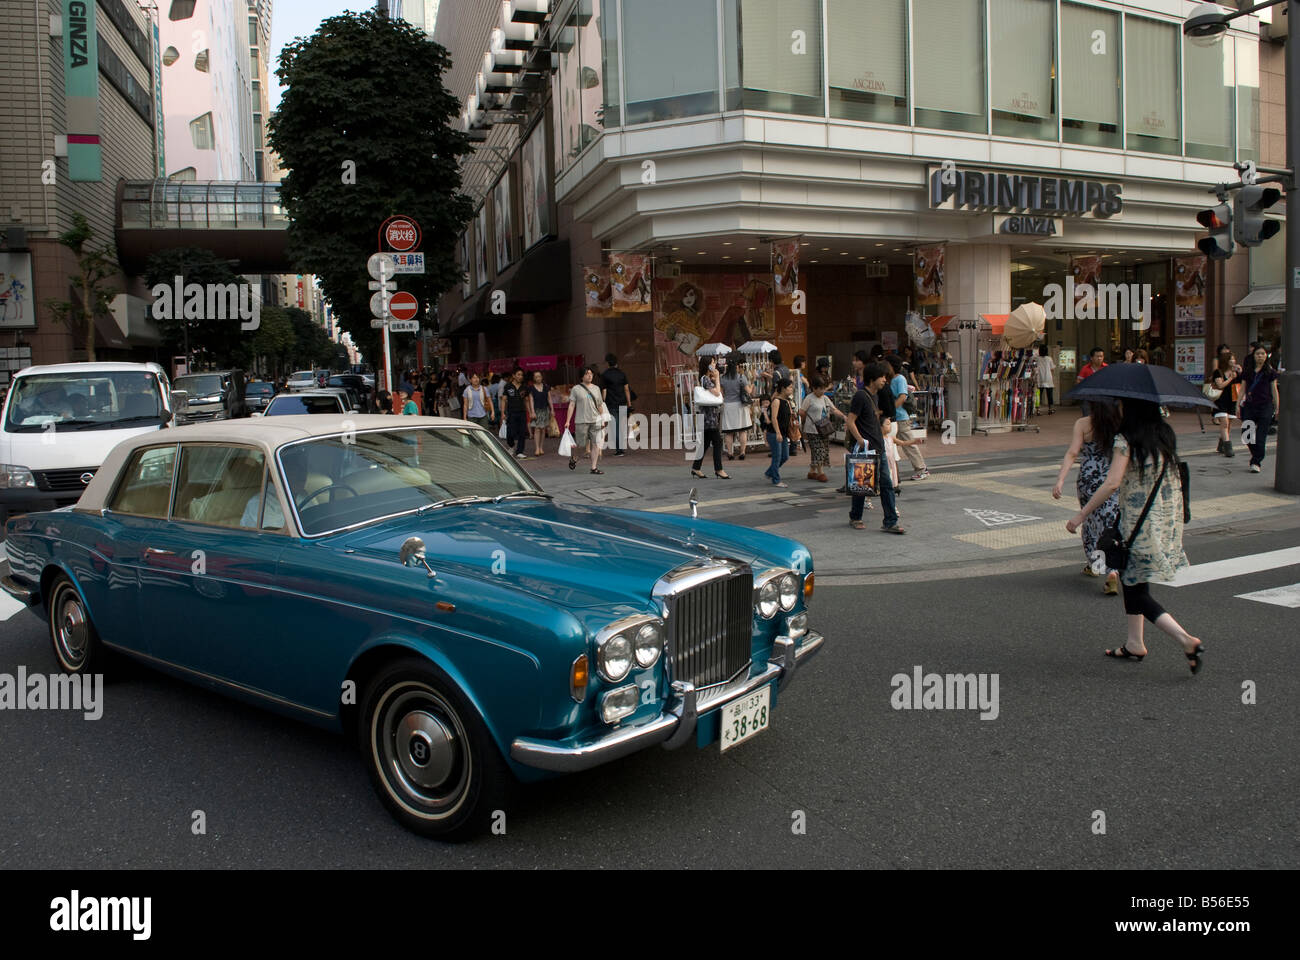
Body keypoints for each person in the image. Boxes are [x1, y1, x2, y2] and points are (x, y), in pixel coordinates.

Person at [1067, 399, 1203, 673]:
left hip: (1137, 521)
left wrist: (1082, 515)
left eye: (1122, 406)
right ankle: (1134, 642)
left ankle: (1186, 639)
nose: (1118, 410)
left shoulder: (1125, 439)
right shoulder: (1165, 434)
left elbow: (1112, 482)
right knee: (1135, 580)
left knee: (1135, 589)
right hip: (1165, 519)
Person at [1052, 400, 1123, 596]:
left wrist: (1060, 480)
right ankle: (1112, 570)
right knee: (1108, 522)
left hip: (1088, 478)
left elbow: (1072, 453)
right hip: (1111, 477)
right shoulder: (1120, 423)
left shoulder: (1083, 424)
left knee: (1090, 521)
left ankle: (1096, 564)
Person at [845, 362, 902, 534]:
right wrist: (861, 440)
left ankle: (890, 521)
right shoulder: (861, 396)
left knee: (886, 484)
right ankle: (855, 516)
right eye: (882, 377)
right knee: (862, 485)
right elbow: (850, 420)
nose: (885, 380)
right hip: (867, 448)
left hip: (879, 447)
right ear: (872, 379)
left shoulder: (875, 396)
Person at [1237, 344, 1280, 474]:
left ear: (1266, 356)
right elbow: (1243, 388)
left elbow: (1274, 390)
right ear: (1253, 356)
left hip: (1265, 406)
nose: (1260, 356)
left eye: (1262, 354)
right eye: (1257, 354)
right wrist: (1237, 404)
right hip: (1250, 406)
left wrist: (1277, 407)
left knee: (1261, 436)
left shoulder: (1270, 372)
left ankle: (1256, 461)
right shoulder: (1248, 371)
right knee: (1246, 434)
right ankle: (1256, 455)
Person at [887, 354, 929, 480]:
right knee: (893, 445)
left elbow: (902, 396)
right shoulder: (888, 379)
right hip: (893, 418)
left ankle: (922, 469)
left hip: (901, 418)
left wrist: (891, 410)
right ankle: (893, 473)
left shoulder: (900, 379)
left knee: (909, 445)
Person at [800, 374, 847, 482]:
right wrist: (806, 422)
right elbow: (802, 411)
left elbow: (833, 409)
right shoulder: (809, 398)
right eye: (820, 389)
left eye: (823, 388)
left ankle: (812, 471)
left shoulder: (825, 398)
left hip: (824, 429)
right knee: (818, 450)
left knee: (823, 449)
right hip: (812, 429)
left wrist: (844, 416)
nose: (823, 391)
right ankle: (821, 472)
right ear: (814, 388)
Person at [690, 356, 729, 480]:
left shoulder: (706, 378)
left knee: (705, 443)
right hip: (708, 418)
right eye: (713, 362)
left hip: (708, 416)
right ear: (708, 365)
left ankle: (696, 468)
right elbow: (717, 393)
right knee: (717, 441)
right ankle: (719, 469)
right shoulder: (705, 379)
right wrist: (717, 378)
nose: (715, 364)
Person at [564, 365, 607, 474]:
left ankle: (593, 467)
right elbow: (572, 405)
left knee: (596, 443)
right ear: (581, 376)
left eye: (591, 374)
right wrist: (568, 421)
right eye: (587, 374)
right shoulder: (576, 389)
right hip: (581, 421)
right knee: (581, 445)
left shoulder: (596, 388)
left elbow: (600, 405)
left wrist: (603, 418)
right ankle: (574, 458)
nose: (589, 375)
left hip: (595, 420)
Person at [762, 377, 794, 487]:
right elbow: (774, 418)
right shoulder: (776, 401)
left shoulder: (787, 401)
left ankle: (769, 472)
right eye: (790, 387)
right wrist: (778, 433)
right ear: (783, 388)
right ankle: (776, 479)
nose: (791, 389)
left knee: (785, 456)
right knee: (777, 457)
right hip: (774, 433)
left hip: (783, 433)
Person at [719, 357, 753, 460]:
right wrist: (752, 384)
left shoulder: (722, 378)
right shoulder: (741, 377)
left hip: (728, 405)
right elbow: (749, 392)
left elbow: (721, 393)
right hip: (740, 406)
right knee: (742, 430)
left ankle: (730, 453)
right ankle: (742, 452)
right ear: (737, 367)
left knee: (729, 431)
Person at [602, 353, 632, 457]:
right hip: (622, 402)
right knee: (622, 426)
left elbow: (604, 391)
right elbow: (627, 389)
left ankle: (619, 450)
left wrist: (603, 403)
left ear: (607, 363)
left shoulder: (605, 375)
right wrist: (629, 404)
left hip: (611, 403)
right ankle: (621, 448)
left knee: (615, 427)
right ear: (616, 363)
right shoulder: (622, 374)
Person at [1209, 352, 1238, 457]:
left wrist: (1240, 372)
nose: (1233, 362)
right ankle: (1228, 447)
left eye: (1234, 359)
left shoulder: (1235, 372)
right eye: (1231, 360)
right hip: (1220, 401)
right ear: (1226, 361)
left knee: (1228, 424)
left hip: (1232, 401)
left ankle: (1221, 444)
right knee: (1224, 423)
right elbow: (1220, 385)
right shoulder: (1218, 372)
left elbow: (1240, 384)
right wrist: (1231, 378)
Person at [501, 368, 530, 459]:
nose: (520, 376)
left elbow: (527, 400)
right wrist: (502, 413)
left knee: (522, 432)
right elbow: (504, 400)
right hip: (511, 412)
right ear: (514, 375)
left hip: (522, 412)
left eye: (521, 375)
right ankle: (511, 446)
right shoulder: (508, 386)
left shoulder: (524, 387)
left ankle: (520, 451)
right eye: (518, 374)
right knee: (510, 432)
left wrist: (530, 412)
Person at [526, 370, 551, 457]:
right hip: (536, 410)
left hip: (545, 409)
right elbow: (531, 400)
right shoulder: (531, 388)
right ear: (534, 378)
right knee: (537, 429)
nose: (538, 378)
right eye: (536, 377)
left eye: (539, 376)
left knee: (543, 429)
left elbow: (549, 398)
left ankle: (541, 447)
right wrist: (532, 411)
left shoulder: (546, 387)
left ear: (542, 377)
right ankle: (537, 448)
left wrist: (552, 409)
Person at [1034, 345, 1057, 414]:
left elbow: (1032, 364)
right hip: (1048, 379)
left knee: (1038, 395)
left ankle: (1038, 410)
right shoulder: (1049, 358)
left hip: (1039, 379)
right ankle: (1050, 409)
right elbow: (1052, 368)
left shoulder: (1037, 358)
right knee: (1049, 395)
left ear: (1039, 351)